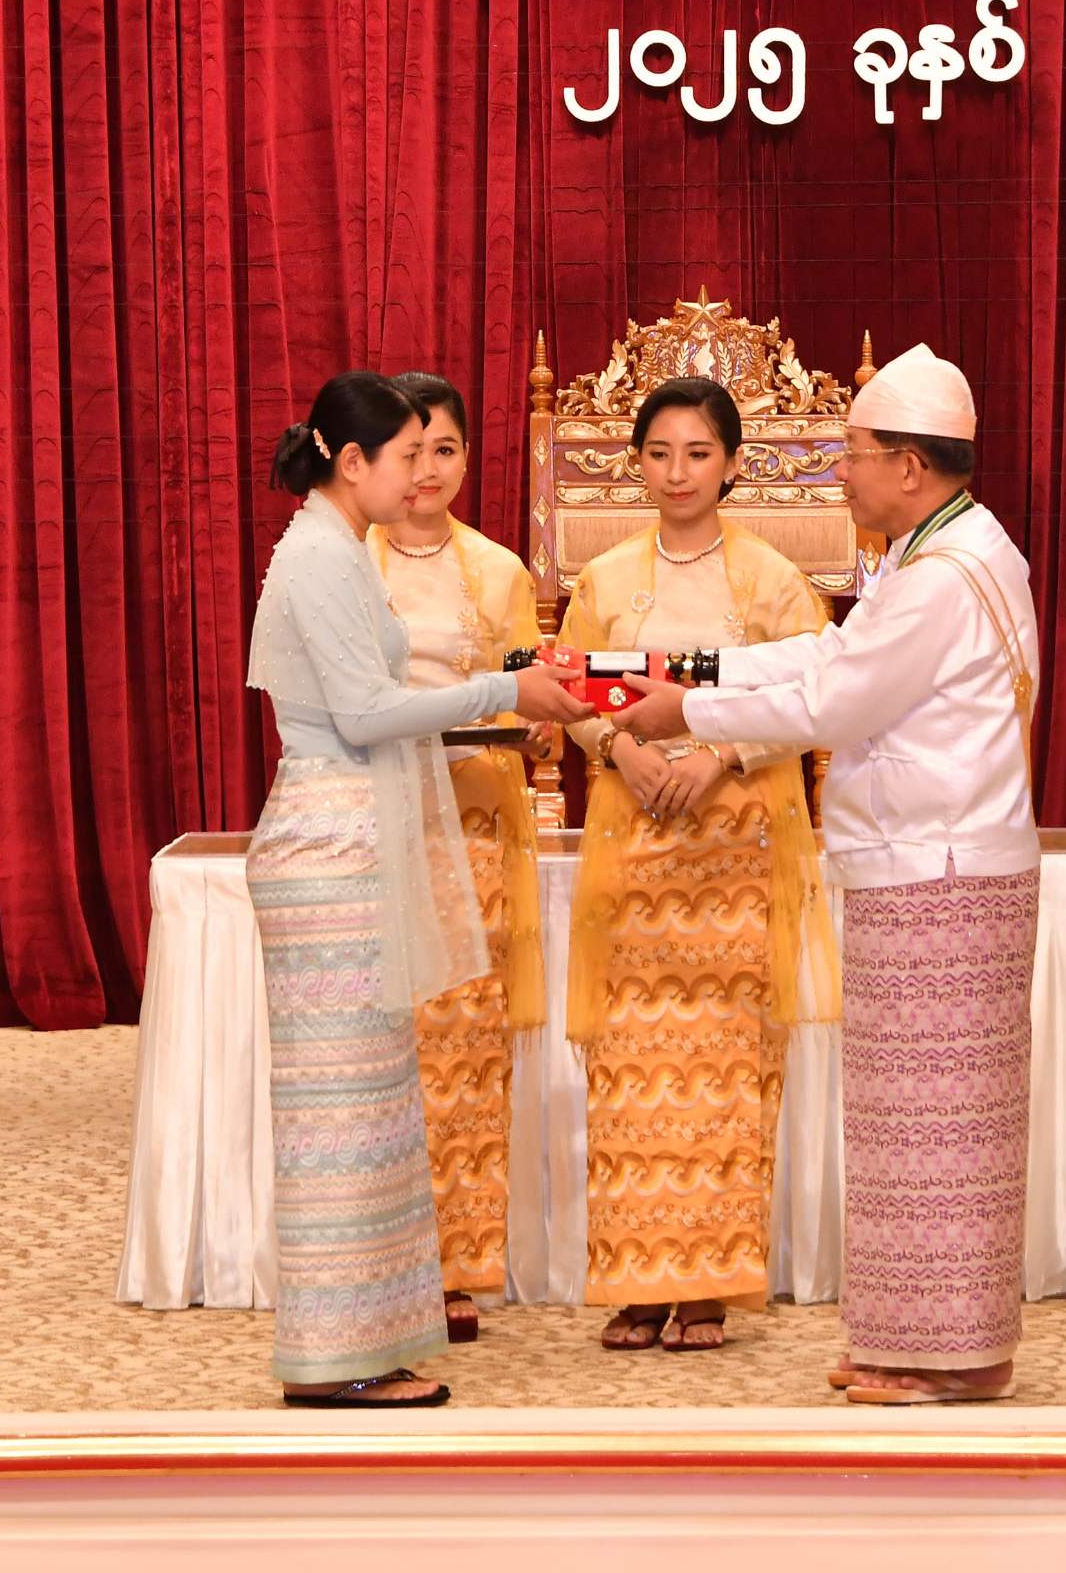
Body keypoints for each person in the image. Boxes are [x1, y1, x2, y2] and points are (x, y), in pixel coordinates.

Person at [614, 344, 1040, 1404]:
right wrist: (694, 669)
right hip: (921, 867)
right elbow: (824, 658)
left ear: (908, 466)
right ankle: (910, 1340)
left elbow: (834, 702)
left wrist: (686, 708)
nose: (836, 473)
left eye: (851, 455)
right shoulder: (934, 551)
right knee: (903, 1124)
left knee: (938, 1129)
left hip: (940, 871)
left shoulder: (943, 576)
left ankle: (950, 1357)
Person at [245, 371, 591, 1407]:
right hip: (332, 839)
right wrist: (502, 689)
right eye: (403, 456)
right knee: (341, 1116)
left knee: (369, 1107)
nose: (416, 477)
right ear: (351, 462)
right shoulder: (319, 554)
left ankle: (360, 1342)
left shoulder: (336, 545)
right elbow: (361, 712)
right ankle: (337, 1354)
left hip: (358, 837)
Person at [559, 376, 841, 1353]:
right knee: (630, 1069)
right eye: (658, 452)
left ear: (730, 465)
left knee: (725, 1066)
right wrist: (620, 750)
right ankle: (636, 1285)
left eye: (697, 453)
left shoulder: (773, 582)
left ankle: (711, 1283)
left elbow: (812, 697)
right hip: (633, 845)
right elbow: (569, 694)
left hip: (736, 850)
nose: (676, 472)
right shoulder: (602, 582)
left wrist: (718, 753)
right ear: (634, 462)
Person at [366, 370, 545, 1342]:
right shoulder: (345, 559)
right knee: (385, 1051)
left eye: (445, 449)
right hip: (376, 825)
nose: (427, 470)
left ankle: (459, 1264)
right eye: (411, 451)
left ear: (469, 457)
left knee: (468, 1052)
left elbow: (524, 690)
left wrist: (536, 719)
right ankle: (381, 1258)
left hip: (471, 825)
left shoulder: (499, 570)